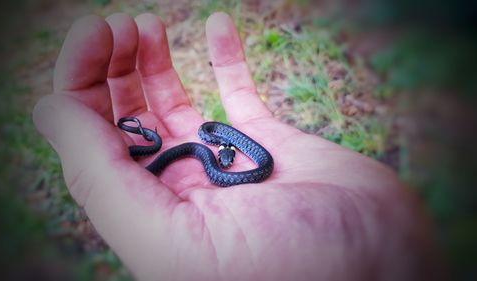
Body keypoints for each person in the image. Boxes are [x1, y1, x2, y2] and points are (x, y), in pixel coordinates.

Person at [33, 12, 445, 281]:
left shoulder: (235, 151)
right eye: (226, 156)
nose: (226, 159)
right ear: (222, 149)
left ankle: (149, 147)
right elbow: (214, 148)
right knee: (167, 149)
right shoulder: (211, 141)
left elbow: (229, 154)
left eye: (226, 157)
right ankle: (149, 147)